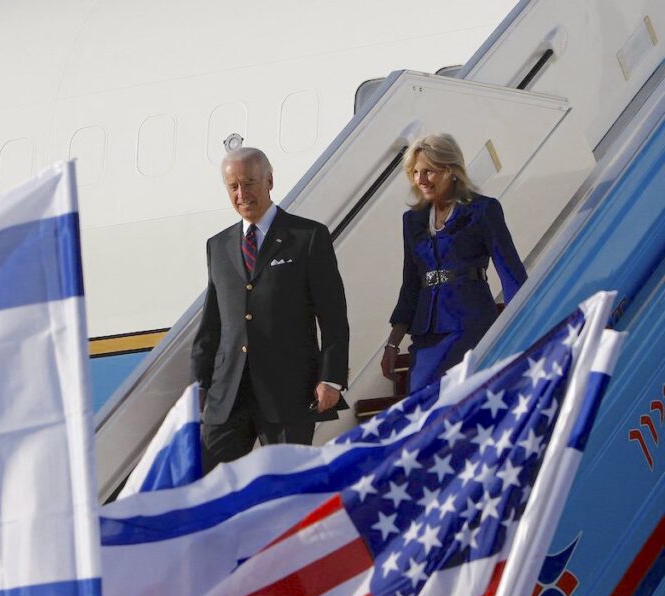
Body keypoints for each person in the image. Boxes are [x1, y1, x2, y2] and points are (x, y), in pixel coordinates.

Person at [191, 147, 349, 470]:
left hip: (288, 392)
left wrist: (331, 379)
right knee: (207, 482)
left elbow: (333, 316)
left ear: (269, 181)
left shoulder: (307, 237)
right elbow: (213, 324)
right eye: (233, 187)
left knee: (286, 484)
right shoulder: (218, 246)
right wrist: (199, 384)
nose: (241, 194)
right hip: (228, 395)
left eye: (249, 183)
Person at [382, 133, 527, 393]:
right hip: (426, 334)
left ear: (451, 170)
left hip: (469, 325)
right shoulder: (411, 220)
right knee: (421, 400)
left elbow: (511, 275)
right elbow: (410, 285)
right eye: (415, 173)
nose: (420, 180)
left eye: (428, 171)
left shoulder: (483, 210)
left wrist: (521, 330)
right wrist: (393, 344)